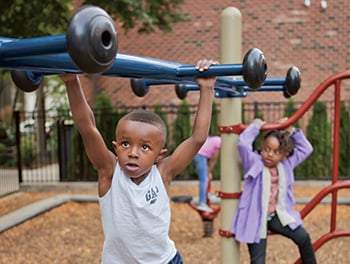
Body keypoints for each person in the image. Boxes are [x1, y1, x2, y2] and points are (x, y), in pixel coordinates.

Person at [59, 59, 217, 264]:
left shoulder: (163, 173)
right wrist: (72, 82)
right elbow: (88, 128)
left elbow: (197, 139)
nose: (133, 153)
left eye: (144, 147)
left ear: (159, 156)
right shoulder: (109, 172)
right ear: (115, 147)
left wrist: (206, 89)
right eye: (126, 144)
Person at [230, 117, 317, 264]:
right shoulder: (254, 162)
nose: (270, 154)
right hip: (256, 218)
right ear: (262, 148)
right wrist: (256, 126)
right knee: (258, 260)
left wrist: (291, 131)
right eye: (266, 149)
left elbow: (306, 149)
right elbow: (243, 144)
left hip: (277, 215)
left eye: (276, 152)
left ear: (285, 155)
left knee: (303, 238)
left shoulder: (287, 164)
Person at [193, 135, 221, 213]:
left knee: (206, 177)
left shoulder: (216, 139)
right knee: (204, 179)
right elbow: (213, 160)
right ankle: (202, 203)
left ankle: (207, 193)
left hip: (199, 153)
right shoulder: (220, 142)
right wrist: (208, 172)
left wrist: (208, 173)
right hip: (200, 155)